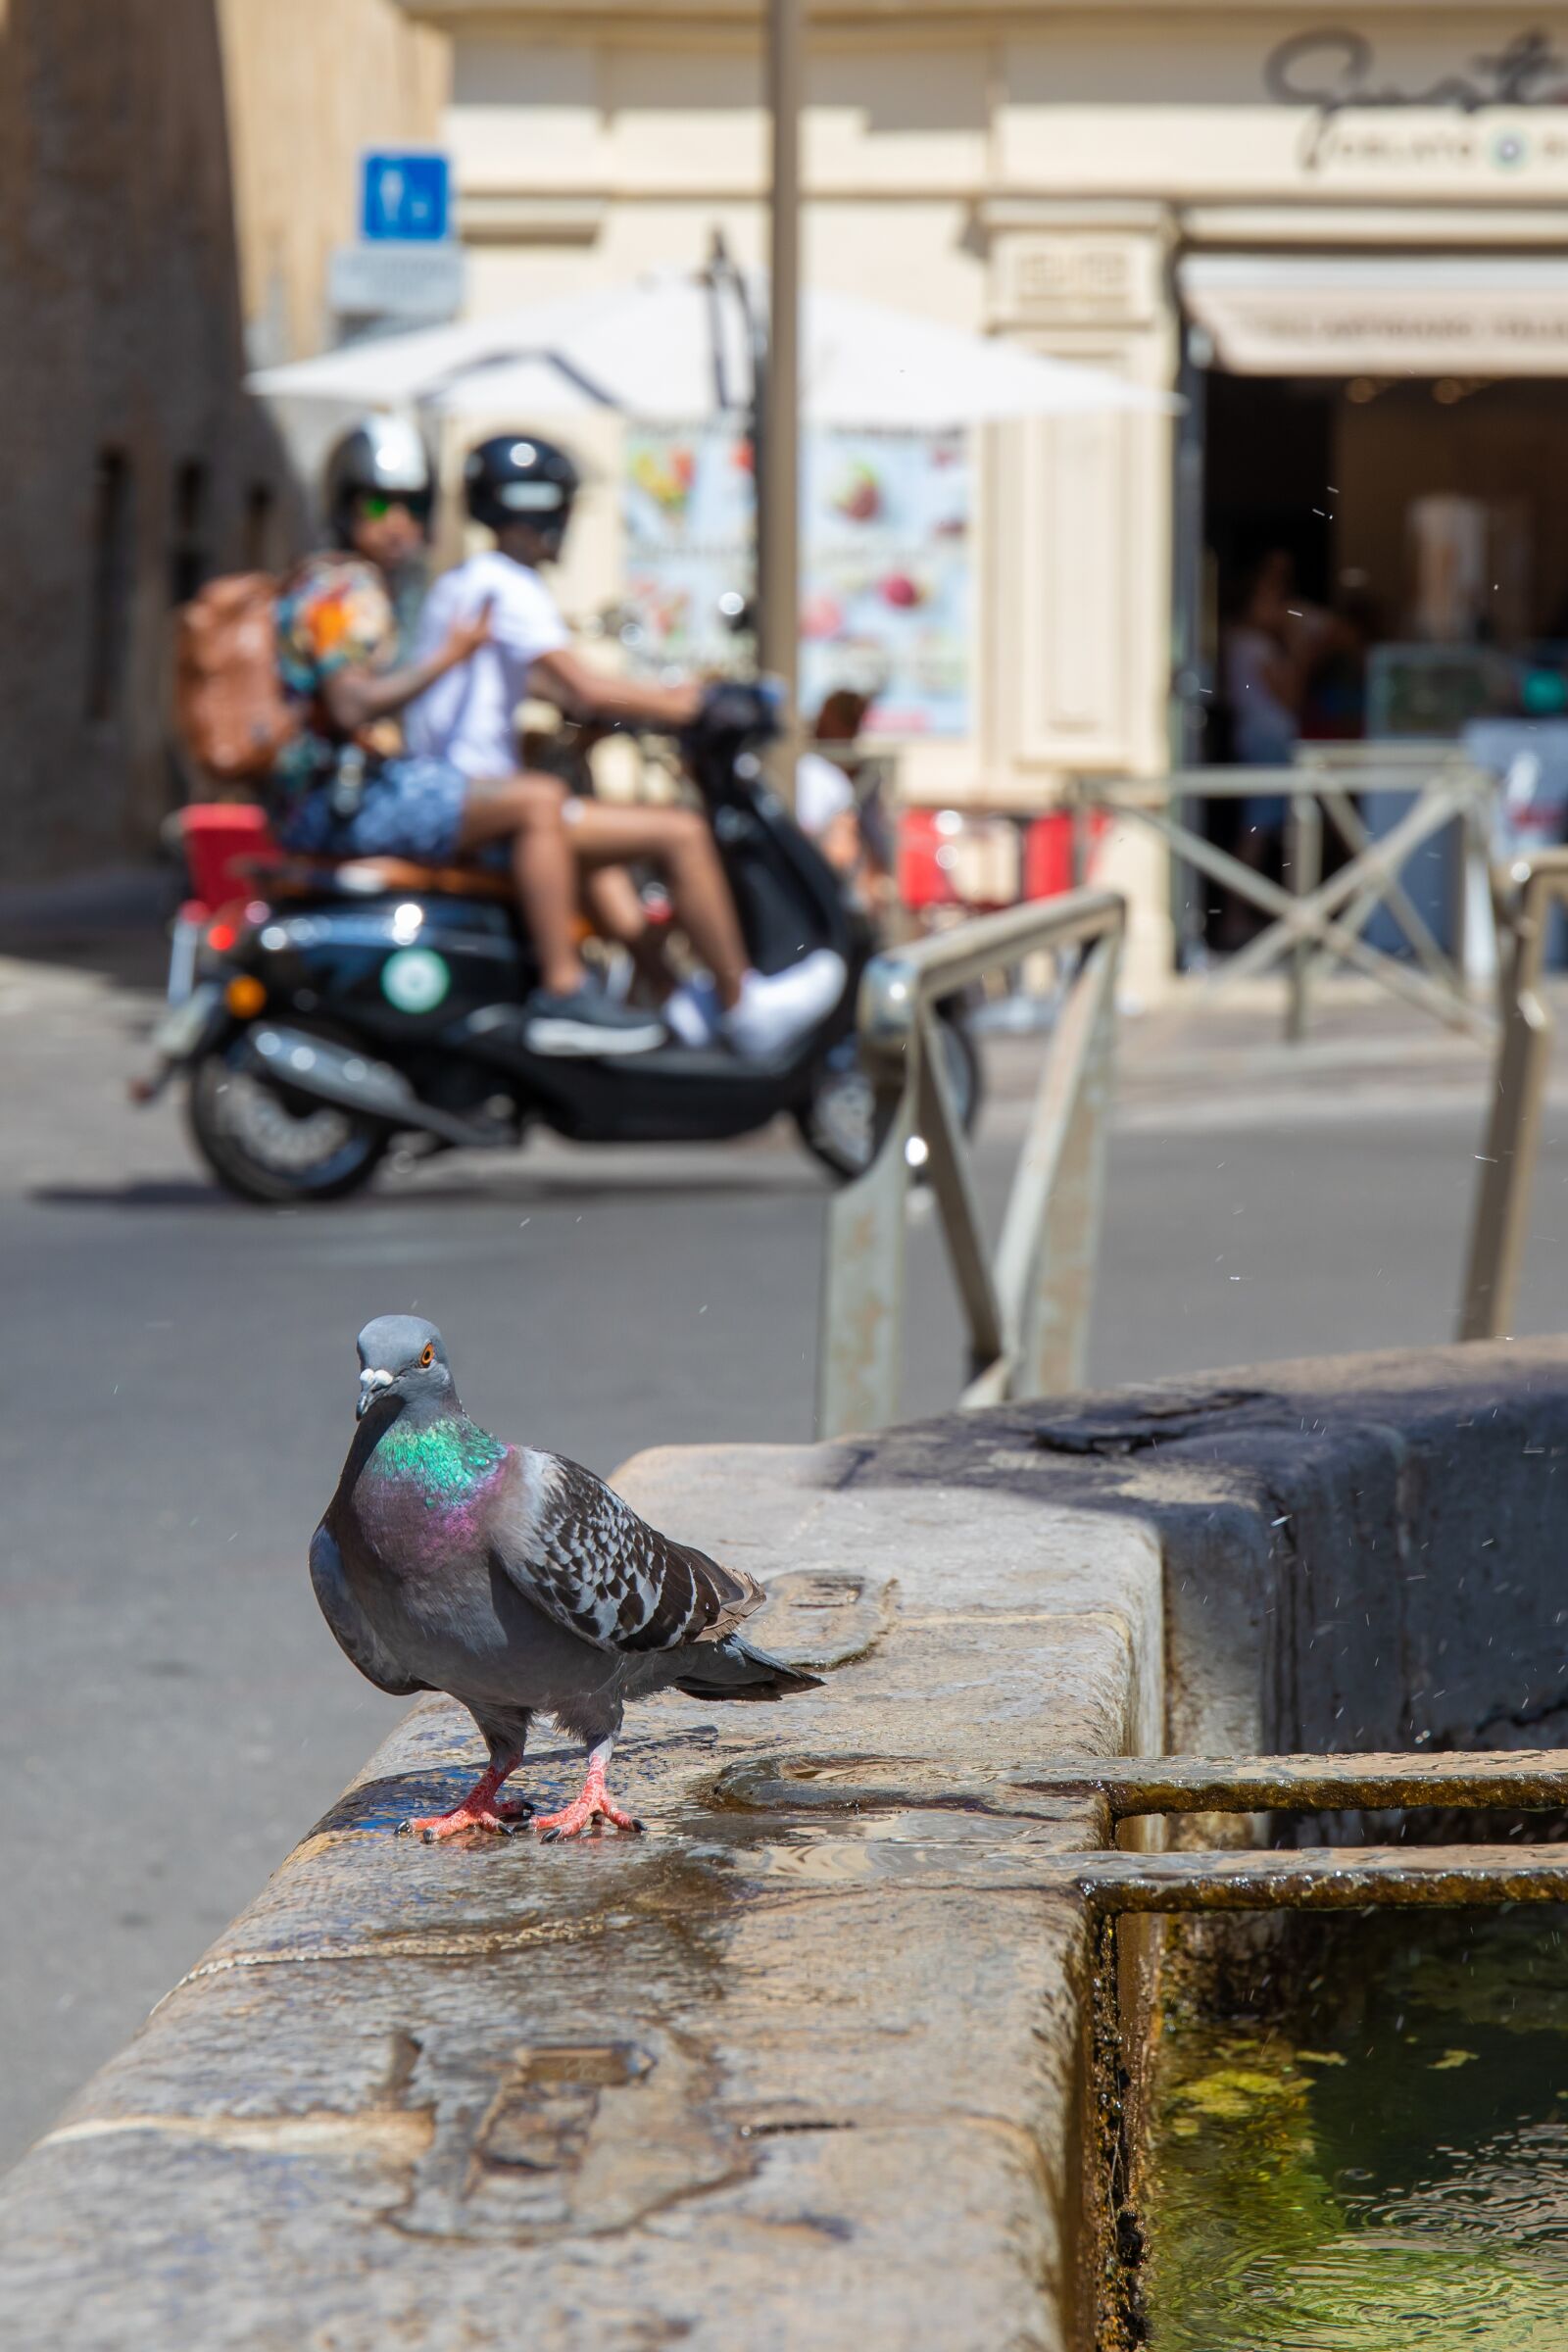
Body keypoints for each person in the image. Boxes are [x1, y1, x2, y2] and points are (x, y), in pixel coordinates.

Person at [407, 433, 845, 1060]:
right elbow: (583, 687)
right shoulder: (509, 585)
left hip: (464, 794)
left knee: (604, 856)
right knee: (680, 833)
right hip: (479, 801)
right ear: (539, 508)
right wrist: (702, 703)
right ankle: (742, 1004)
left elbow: (537, 683)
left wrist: (644, 704)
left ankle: (668, 995)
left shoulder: (465, 584)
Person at [271, 416, 664, 1055]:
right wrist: (449, 659)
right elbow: (351, 705)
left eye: (412, 506)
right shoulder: (345, 590)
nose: (396, 522)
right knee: (537, 801)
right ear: (344, 507)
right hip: (338, 801)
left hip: (331, 795)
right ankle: (564, 992)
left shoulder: (348, 582)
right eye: (377, 504)